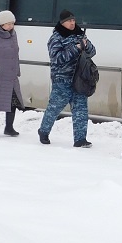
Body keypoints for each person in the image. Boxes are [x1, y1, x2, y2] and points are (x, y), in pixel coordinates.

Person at [38, 9, 98, 148]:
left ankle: (80, 139)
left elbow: (93, 52)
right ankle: (44, 131)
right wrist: (76, 48)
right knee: (54, 108)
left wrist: (86, 45)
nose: (72, 23)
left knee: (81, 109)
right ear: (62, 23)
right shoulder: (56, 38)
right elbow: (57, 59)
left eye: (73, 20)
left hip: (79, 78)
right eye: (69, 21)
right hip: (62, 80)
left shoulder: (80, 34)